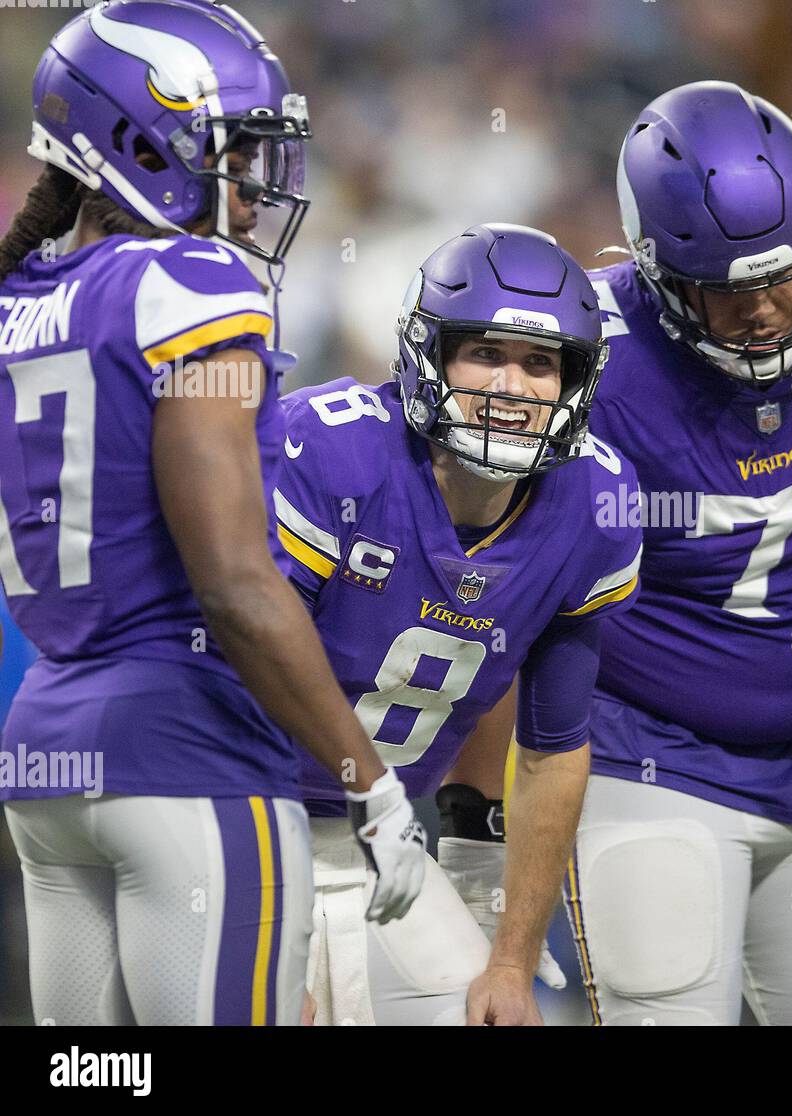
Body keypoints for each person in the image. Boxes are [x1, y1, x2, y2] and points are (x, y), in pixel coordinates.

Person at [446, 80, 792, 1025]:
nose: (769, 308)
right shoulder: (587, 363)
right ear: (658, 276)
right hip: (650, 757)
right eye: (729, 290)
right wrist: (477, 839)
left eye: (787, 273)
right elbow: (481, 589)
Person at [0, 0, 424, 1026]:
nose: (252, 195)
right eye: (234, 156)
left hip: (46, 752)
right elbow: (234, 582)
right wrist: (368, 783)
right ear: (148, 143)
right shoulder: (189, 281)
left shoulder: (19, 300)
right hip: (186, 747)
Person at [274, 224, 642, 1025]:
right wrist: (256, 935)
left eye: (541, 364)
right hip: (245, 820)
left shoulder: (594, 503)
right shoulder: (331, 451)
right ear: (425, 354)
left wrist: (509, 955)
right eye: (486, 354)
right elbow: (230, 687)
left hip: (388, 849)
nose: (512, 386)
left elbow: (551, 750)